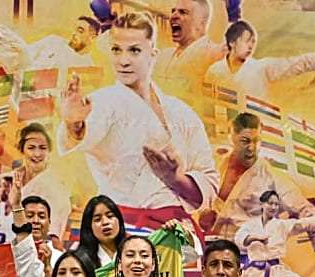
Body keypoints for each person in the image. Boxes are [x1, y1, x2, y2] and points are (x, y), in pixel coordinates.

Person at [59, 12, 218, 236]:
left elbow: (209, 180)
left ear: (153, 54)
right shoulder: (103, 102)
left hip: (174, 228)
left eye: (134, 50)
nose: (123, 61)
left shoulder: (182, 113)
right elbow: (87, 130)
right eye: (117, 50)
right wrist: (74, 125)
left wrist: (175, 179)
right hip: (119, 227)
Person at [199, 112, 315, 243]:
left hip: (249, 249)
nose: (251, 148)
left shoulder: (270, 177)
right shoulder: (215, 164)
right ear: (232, 138)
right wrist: (204, 213)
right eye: (245, 141)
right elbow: (195, 200)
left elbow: (303, 208)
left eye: (256, 141)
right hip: (212, 245)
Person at [204, 20, 315, 101]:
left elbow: (291, 64)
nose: (251, 46)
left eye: (253, 42)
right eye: (247, 41)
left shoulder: (260, 68)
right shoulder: (214, 71)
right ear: (232, 42)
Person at [0, 124, 74, 242]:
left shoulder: (56, 190)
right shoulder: (10, 178)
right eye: (31, 148)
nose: (37, 154)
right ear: (22, 150)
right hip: (0, 245)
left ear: (49, 151)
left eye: (43, 148)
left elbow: (52, 238)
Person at [154, 0, 232, 102]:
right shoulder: (164, 55)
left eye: (183, 12)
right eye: (173, 11)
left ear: (202, 23)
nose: (173, 16)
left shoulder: (215, 54)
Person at [77, 195, 126, 268]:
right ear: (89, 226)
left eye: (110, 216)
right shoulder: (80, 260)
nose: (105, 222)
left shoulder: (132, 253)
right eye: (97, 219)